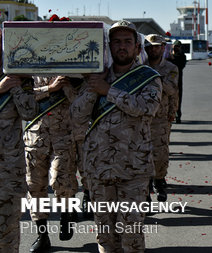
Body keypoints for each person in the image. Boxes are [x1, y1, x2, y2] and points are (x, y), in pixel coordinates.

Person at [71, 20, 162, 252]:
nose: (122, 46)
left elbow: (145, 108)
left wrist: (108, 91)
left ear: (137, 48)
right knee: (105, 236)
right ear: (109, 47)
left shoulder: (148, 77)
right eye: (117, 42)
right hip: (99, 169)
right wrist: (94, 86)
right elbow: (77, 117)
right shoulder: (95, 77)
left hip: (133, 169)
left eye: (127, 42)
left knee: (131, 236)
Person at [25, 76, 80, 252]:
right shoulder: (27, 69)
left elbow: (83, 101)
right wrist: (48, 89)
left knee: (60, 180)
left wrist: (66, 87)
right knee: (34, 186)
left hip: (63, 135)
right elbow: (22, 100)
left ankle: (67, 213)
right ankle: (42, 235)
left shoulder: (72, 70)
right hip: (35, 137)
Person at [0, 69, 36, 253]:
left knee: (8, 233)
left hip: (9, 171)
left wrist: (15, 86)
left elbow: (29, 111)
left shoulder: (21, 76)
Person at [145, 34, 179, 202]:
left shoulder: (171, 68)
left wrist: (153, 77)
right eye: (150, 47)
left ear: (163, 48)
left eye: (157, 46)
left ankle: (160, 180)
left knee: (160, 154)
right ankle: (146, 189)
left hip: (161, 118)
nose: (153, 49)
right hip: (142, 117)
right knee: (142, 154)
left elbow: (172, 91)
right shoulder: (139, 67)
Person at [167, 40, 186, 123]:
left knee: (178, 99)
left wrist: (172, 59)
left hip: (178, 81)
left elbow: (180, 66)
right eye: (175, 46)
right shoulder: (168, 55)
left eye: (178, 46)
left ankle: (178, 116)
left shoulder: (182, 56)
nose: (176, 48)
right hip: (169, 81)